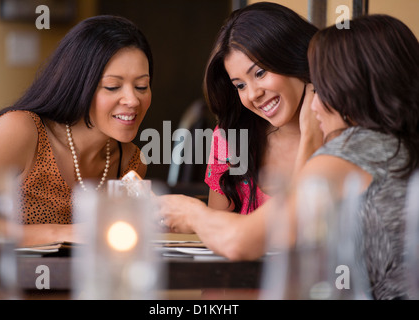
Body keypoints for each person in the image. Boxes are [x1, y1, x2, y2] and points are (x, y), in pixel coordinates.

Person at [158, 14, 419, 300]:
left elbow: (240, 242)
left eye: (321, 87)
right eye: (239, 85)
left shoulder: (346, 155)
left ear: (353, 88)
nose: (315, 103)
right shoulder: (394, 148)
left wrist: (191, 213)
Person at [0, 15, 153, 246]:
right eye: (112, 86)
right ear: (79, 84)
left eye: (141, 86)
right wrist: (62, 233)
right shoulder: (22, 130)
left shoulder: (130, 163)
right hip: (6, 281)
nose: (133, 100)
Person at [203, 2, 320, 214]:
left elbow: (305, 230)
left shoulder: (344, 133)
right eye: (240, 85)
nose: (253, 94)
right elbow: (217, 233)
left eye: (260, 73)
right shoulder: (230, 138)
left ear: (294, 55)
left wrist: (311, 137)